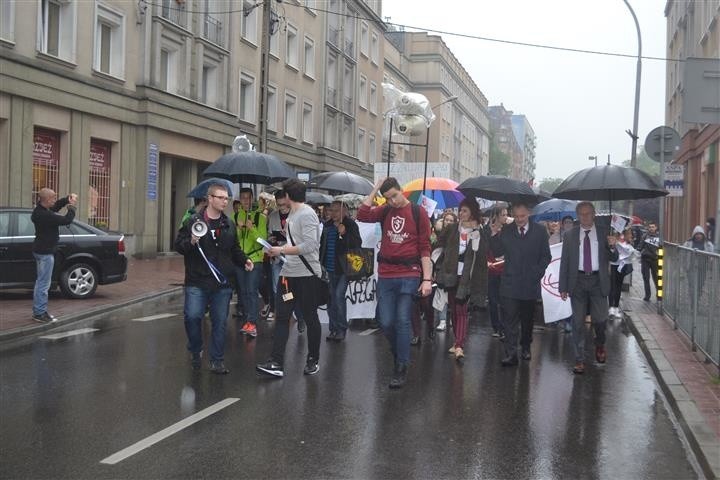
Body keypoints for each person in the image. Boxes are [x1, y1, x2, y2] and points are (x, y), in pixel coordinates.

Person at [356, 177, 432, 389]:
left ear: (402, 191)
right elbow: (362, 214)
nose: (393, 202)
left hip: (410, 273)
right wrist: (376, 190)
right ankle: (399, 352)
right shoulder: (385, 211)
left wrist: (427, 278)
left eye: (395, 196)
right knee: (386, 321)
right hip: (387, 274)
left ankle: (401, 366)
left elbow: (425, 247)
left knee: (402, 320)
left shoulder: (419, 213)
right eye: (388, 198)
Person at [174, 183, 254, 374]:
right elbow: (179, 246)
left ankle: (217, 360)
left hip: (222, 282)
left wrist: (245, 260)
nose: (224, 201)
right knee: (192, 317)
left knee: (220, 322)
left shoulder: (229, 224)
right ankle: (195, 348)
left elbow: (234, 249)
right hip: (197, 280)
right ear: (210, 198)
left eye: (226, 198)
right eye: (221, 197)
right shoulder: (193, 221)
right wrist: (191, 241)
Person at [256, 179, 322, 378]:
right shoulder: (293, 213)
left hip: (307, 276)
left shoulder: (307, 214)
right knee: (282, 317)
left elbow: (311, 245)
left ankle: (313, 360)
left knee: (310, 318)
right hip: (288, 274)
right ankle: (276, 362)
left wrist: (282, 249)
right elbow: (298, 243)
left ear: (287, 196)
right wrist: (280, 248)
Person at [558, 201, 618, 375]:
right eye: (581, 214)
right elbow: (565, 262)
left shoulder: (603, 233)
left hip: (598, 281)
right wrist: (563, 286)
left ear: (593, 214)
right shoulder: (570, 235)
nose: (585, 217)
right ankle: (579, 359)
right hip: (577, 282)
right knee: (577, 322)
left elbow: (613, 258)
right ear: (578, 216)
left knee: (600, 319)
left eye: (588, 213)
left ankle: (600, 344)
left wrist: (612, 246)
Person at [489, 201, 551, 366]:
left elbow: (546, 256)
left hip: (530, 284)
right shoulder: (507, 231)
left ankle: (525, 345)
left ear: (529, 213)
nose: (519, 219)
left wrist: (537, 273)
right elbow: (497, 253)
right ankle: (511, 353)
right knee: (509, 320)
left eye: (522, 216)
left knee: (527, 319)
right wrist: (494, 235)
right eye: (516, 216)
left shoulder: (540, 231)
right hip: (509, 283)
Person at [435, 198, 488, 361]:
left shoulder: (479, 231)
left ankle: (459, 344)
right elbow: (439, 243)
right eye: (460, 210)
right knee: (453, 306)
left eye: (465, 210)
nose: (461, 214)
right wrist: (439, 228)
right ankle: (457, 341)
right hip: (450, 274)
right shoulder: (452, 229)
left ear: (472, 212)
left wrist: (477, 235)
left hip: (468, 276)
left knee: (462, 309)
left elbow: (482, 254)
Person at [31, 188, 78, 323]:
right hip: (45, 253)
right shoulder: (44, 215)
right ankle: (39, 313)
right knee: (43, 284)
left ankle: (39, 311)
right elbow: (66, 220)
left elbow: (55, 207)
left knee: (41, 282)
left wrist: (65, 200)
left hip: (41, 250)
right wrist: (72, 207)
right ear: (46, 200)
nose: (54, 200)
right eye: (53, 198)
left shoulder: (41, 211)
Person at [320, 200, 361, 342]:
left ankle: (342, 329)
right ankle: (333, 329)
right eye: (331, 210)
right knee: (330, 299)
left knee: (338, 296)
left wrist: (343, 234)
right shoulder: (327, 225)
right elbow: (322, 246)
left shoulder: (350, 225)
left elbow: (357, 245)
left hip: (344, 269)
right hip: (328, 269)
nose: (333, 213)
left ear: (344, 211)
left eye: (337, 210)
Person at [234, 188, 268, 337]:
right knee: (243, 292)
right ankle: (248, 320)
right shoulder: (235, 216)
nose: (246, 201)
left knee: (251, 290)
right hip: (240, 259)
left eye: (248, 198)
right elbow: (233, 240)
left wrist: (251, 228)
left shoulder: (260, 217)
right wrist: (238, 229)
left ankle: (252, 323)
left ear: (252, 199)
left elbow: (262, 241)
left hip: (255, 258)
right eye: (243, 198)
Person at [484, 205, 508, 338]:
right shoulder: (487, 230)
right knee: (493, 299)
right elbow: (484, 247)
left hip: (504, 268)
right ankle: (496, 326)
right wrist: (493, 234)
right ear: (496, 216)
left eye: (506, 214)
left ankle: (504, 326)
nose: (505, 217)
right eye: (503, 214)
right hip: (492, 267)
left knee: (504, 299)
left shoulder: (508, 229)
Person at [608, 228, 637, 319]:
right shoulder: (614, 235)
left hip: (623, 265)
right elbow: (610, 250)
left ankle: (615, 308)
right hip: (614, 265)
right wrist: (612, 246)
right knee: (612, 286)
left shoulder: (628, 235)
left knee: (618, 286)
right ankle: (611, 308)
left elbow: (632, 249)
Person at [639, 221, 660, 302]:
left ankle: (659, 295)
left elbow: (661, 248)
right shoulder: (645, 236)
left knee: (657, 278)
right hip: (645, 260)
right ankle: (647, 295)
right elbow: (640, 246)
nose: (651, 228)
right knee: (646, 278)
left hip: (655, 260)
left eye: (653, 227)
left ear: (656, 228)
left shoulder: (659, 237)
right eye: (650, 227)